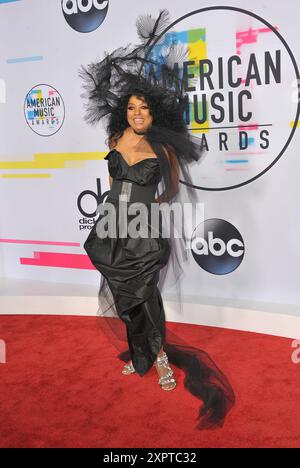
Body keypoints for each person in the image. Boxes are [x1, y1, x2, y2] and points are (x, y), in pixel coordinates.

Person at [79, 9, 235, 429]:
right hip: (112, 228)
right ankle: (140, 350)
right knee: (124, 295)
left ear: (153, 113)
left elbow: (168, 189)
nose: (136, 113)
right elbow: (113, 181)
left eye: (143, 107)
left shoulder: (162, 148)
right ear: (124, 112)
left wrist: (144, 209)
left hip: (143, 232)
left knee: (147, 296)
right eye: (131, 107)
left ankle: (160, 356)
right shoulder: (113, 139)